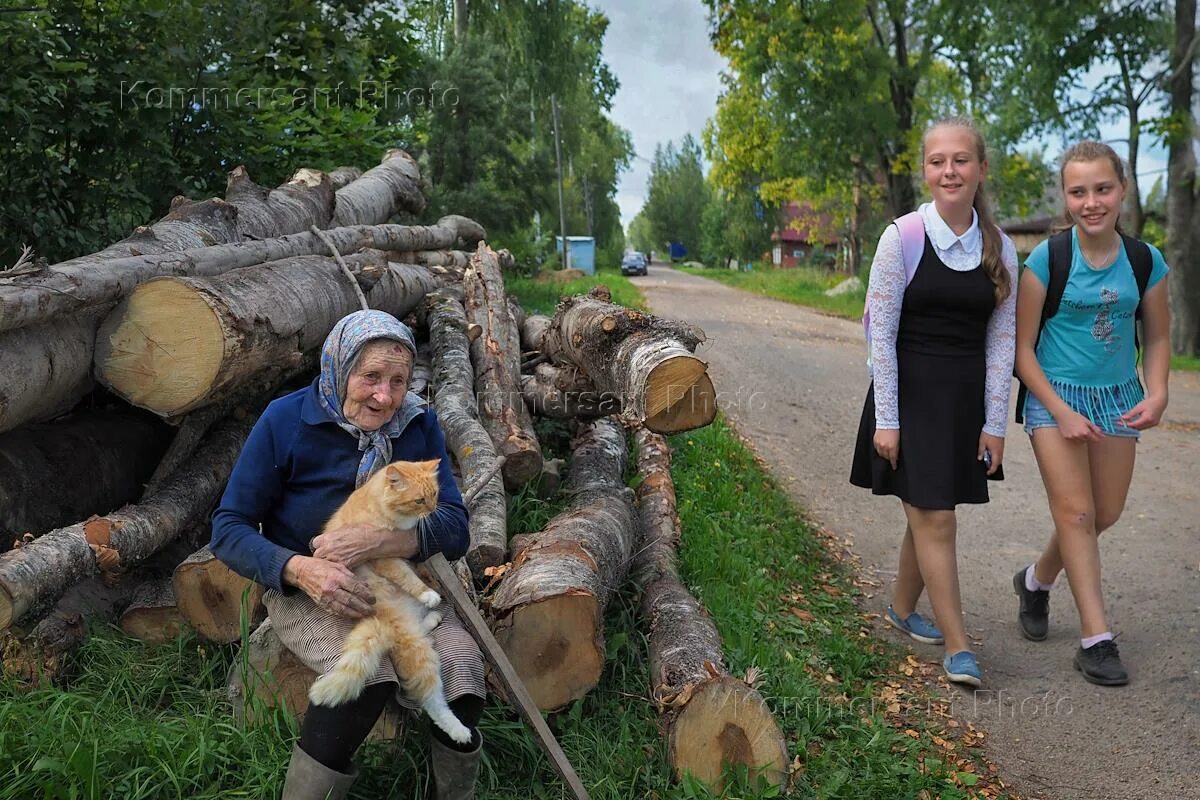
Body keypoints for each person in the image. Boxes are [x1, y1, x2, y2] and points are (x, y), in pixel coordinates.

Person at [210, 309, 485, 800]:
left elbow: (455, 527)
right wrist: (298, 568)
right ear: (338, 368)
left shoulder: (418, 424)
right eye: (370, 377)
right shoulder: (286, 421)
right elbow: (228, 528)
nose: (385, 395)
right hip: (309, 587)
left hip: (395, 577)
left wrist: (380, 541)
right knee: (367, 671)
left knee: (462, 661)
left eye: (398, 380)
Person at [851, 117, 1019, 687]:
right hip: (909, 397)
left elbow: (1001, 342)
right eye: (937, 161)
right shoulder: (901, 238)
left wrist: (995, 423)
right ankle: (958, 645)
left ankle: (902, 607)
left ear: (980, 169)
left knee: (925, 509)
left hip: (963, 404)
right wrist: (889, 420)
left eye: (961, 160)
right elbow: (881, 335)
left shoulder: (1001, 247)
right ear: (924, 169)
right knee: (936, 517)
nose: (949, 170)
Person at [1011, 141, 1170, 687]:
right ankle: (1096, 640)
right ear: (1066, 196)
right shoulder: (1046, 260)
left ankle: (1035, 581)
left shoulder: (1145, 261)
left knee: (1105, 513)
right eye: (1078, 191)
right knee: (1076, 513)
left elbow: (1159, 335)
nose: (1091, 202)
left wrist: (1159, 390)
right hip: (1054, 396)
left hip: (1119, 398)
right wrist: (1059, 410)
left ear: (1122, 190)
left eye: (1102, 189)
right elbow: (1022, 349)